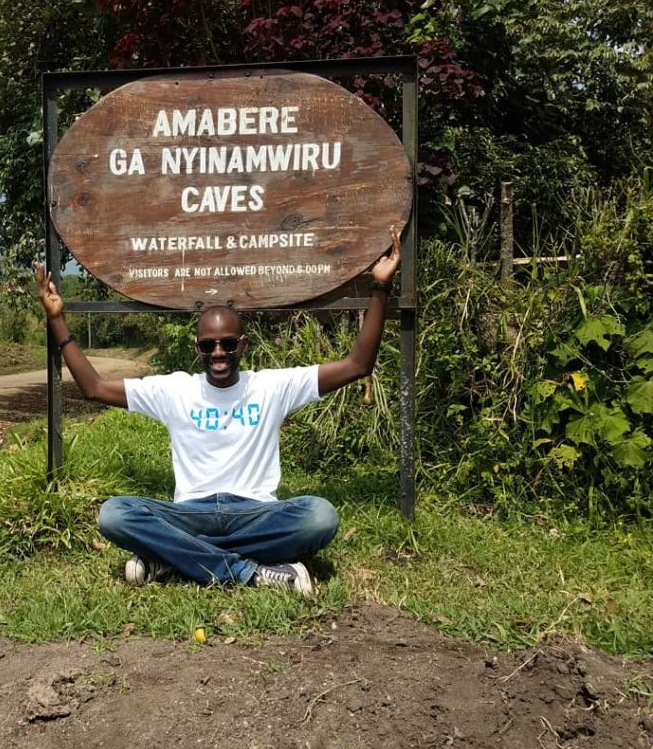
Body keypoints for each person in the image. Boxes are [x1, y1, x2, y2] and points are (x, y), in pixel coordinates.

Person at [34, 225, 401, 598]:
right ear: (198, 349)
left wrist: (380, 287)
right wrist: (57, 319)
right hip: (191, 515)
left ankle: (172, 559)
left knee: (320, 516)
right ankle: (251, 571)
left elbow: (357, 365)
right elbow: (93, 388)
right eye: (208, 346)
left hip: (255, 515)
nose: (218, 353)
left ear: (242, 344)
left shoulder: (272, 386)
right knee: (114, 513)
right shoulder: (175, 390)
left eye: (227, 344)